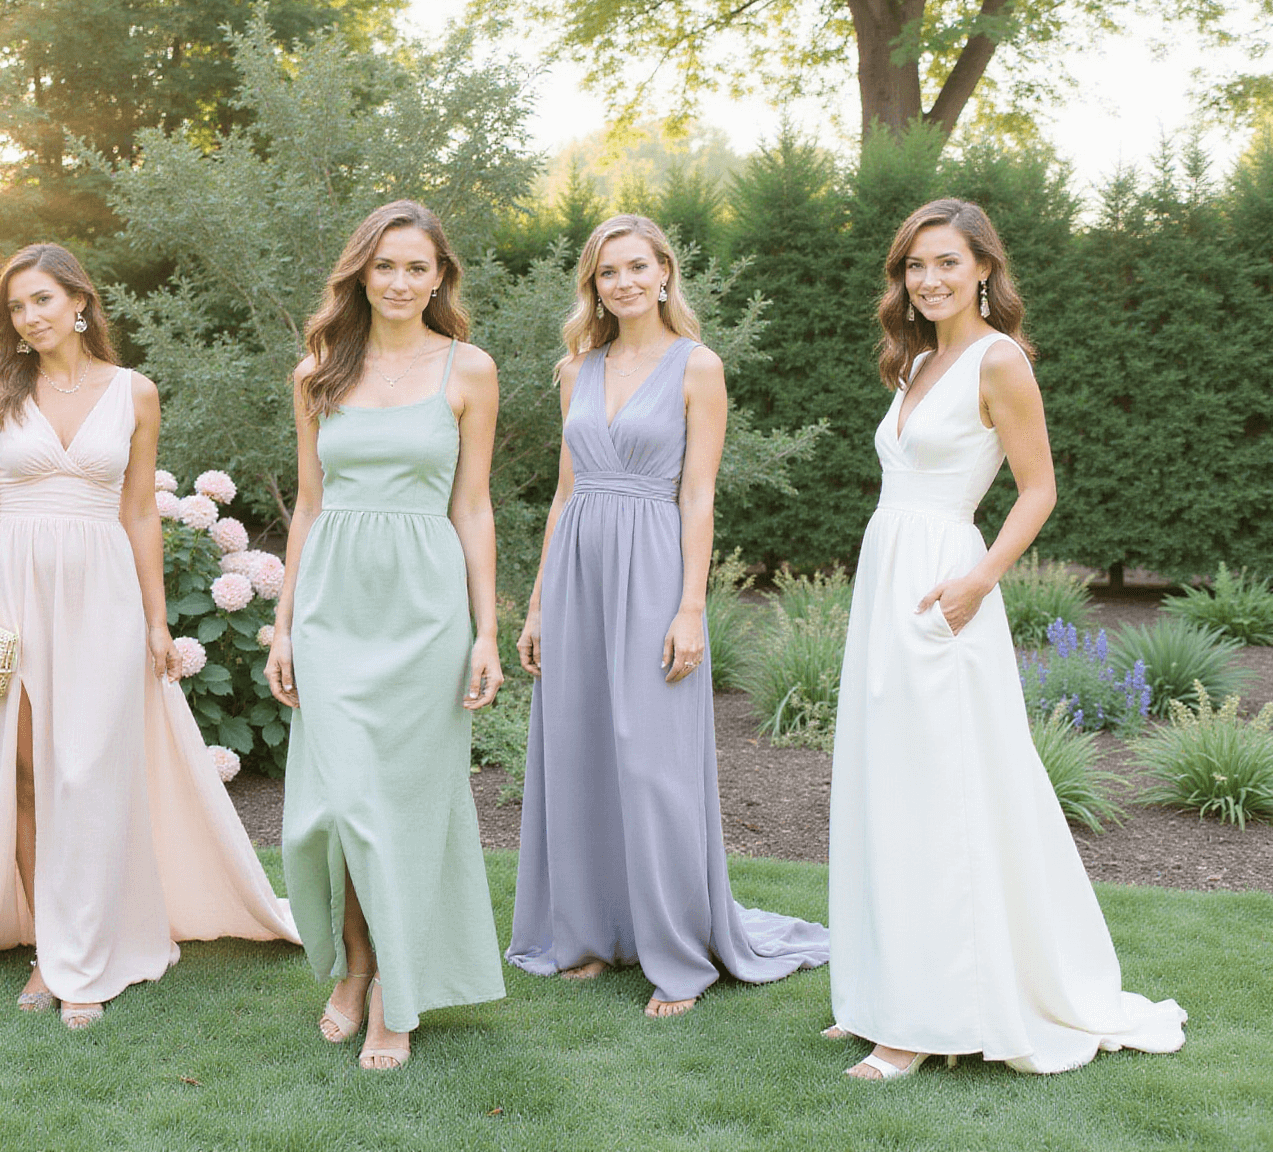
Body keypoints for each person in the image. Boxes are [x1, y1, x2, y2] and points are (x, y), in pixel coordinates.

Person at [827, 198, 1187, 1079]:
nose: (930, 279)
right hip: (890, 578)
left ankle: (921, 1023)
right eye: (915, 265)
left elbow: (1037, 489)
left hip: (950, 582)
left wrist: (978, 580)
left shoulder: (999, 361)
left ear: (984, 267)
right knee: (886, 783)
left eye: (948, 262)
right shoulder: (912, 361)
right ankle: (882, 990)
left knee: (942, 791)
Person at [0, 243, 295, 1029]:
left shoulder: (135, 393)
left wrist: (158, 619)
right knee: (18, 772)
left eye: (43, 299)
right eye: (17, 307)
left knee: (84, 772)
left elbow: (140, 511)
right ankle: (49, 943)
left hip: (104, 595)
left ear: (80, 302)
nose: (30, 317)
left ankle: (80, 953)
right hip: (8, 594)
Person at [509, 214, 829, 1017]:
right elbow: (565, 489)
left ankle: (678, 955)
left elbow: (699, 492)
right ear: (595, 284)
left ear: (663, 273)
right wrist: (539, 601)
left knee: (652, 762)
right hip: (578, 565)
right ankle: (584, 937)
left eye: (634, 268)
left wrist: (692, 607)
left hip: (652, 564)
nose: (621, 283)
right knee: (577, 749)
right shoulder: (575, 368)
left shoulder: (698, 366)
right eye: (606, 273)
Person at [266, 200, 506, 1071]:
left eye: (417, 267)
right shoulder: (319, 370)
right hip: (333, 605)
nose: (400, 282)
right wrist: (283, 624)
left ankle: (385, 990)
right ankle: (358, 962)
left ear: (440, 276)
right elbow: (308, 504)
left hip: (425, 608)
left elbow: (472, 506)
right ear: (360, 273)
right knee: (336, 810)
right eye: (385, 266)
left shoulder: (469, 370)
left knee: (395, 811)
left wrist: (485, 630)